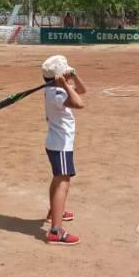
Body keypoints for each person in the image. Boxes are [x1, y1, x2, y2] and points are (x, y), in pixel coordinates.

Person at [41, 55, 86, 245]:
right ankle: (56, 231)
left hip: (57, 143)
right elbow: (79, 103)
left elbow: (83, 90)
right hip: (60, 144)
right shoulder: (57, 93)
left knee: (59, 178)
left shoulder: (56, 89)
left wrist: (73, 76)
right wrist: (66, 85)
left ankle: (55, 211)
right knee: (63, 182)